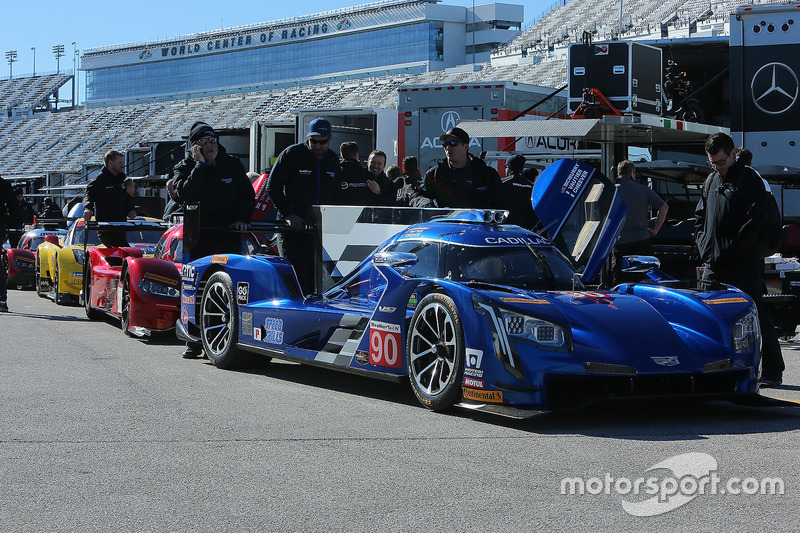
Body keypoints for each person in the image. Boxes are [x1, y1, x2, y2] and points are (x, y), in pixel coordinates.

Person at [695, 132, 784, 387]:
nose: (717, 167)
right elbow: (700, 216)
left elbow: (756, 221)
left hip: (742, 262)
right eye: (712, 162)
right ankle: (717, 368)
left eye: (721, 161)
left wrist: (733, 248)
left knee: (755, 315)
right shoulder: (711, 180)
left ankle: (773, 369)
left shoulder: (749, 179)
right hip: (713, 263)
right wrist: (703, 245)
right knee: (711, 317)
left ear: (733, 154)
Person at [173, 121, 255, 358]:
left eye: (213, 141)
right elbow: (185, 194)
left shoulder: (231, 164)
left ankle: (230, 336)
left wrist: (242, 218)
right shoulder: (186, 167)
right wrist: (200, 165)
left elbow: (247, 197)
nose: (211, 145)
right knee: (195, 289)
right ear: (195, 146)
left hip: (228, 235)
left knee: (229, 288)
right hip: (198, 238)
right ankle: (193, 340)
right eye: (205, 142)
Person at [266, 117, 339, 294]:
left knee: (320, 281)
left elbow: (337, 195)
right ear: (308, 137)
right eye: (313, 141)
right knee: (294, 278)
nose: (318, 146)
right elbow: (272, 186)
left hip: (320, 231)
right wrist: (288, 214)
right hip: (293, 230)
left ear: (330, 138)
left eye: (322, 142)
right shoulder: (292, 154)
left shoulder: (333, 160)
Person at [610, 159, 668, 285]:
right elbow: (664, 207)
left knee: (621, 282)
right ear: (632, 173)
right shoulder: (644, 190)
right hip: (642, 241)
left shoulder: (611, 192)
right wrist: (655, 230)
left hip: (620, 243)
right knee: (645, 279)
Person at [422, 127, 504, 209]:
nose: (448, 148)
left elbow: (502, 205)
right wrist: (425, 204)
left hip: (478, 221)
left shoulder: (486, 174)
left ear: (465, 147)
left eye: (453, 143)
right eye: (445, 144)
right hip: (446, 221)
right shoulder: (435, 175)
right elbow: (420, 196)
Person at [83, 150, 137, 247]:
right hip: (106, 229)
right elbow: (88, 195)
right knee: (128, 253)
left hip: (121, 227)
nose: (122, 165)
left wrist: (131, 209)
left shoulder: (122, 180)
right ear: (110, 163)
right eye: (119, 162)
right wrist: (88, 208)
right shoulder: (99, 181)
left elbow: (128, 198)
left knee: (117, 259)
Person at [0, 173, 22, 312]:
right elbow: (15, 209)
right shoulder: (4, 184)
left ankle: (2, 299)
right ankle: (2, 300)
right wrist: (8, 220)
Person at [502, 154, 539, 230]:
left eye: (506, 166)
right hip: (528, 229)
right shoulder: (531, 186)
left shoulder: (503, 183)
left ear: (509, 167)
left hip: (507, 228)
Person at [333, 141, 375, 205]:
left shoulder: (335, 174)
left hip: (339, 212)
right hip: (362, 213)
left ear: (341, 156)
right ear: (356, 155)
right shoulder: (368, 176)